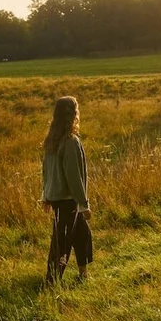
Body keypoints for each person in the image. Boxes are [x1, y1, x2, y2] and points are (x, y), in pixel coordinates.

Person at [41, 96, 93, 286]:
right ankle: (51, 282)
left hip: (57, 198)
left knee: (82, 235)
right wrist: (84, 204)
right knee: (61, 242)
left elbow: (46, 172)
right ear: (73, 114)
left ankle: (83, 274)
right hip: (68, 200)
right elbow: (74, 177)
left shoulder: (52, 140)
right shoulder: (70, 142)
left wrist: (45, 195)